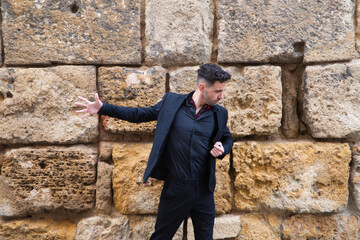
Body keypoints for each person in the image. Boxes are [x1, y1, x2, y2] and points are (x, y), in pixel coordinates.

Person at [75, 63, 234, 240]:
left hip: (204, 189)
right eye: (218, 91)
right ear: (202, 87)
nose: (221, 96)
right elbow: (138, 115)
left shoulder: (219, 113)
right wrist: (103, 108)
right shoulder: (172, 103)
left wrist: (223, 149)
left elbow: (227, 139)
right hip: (176, 188)